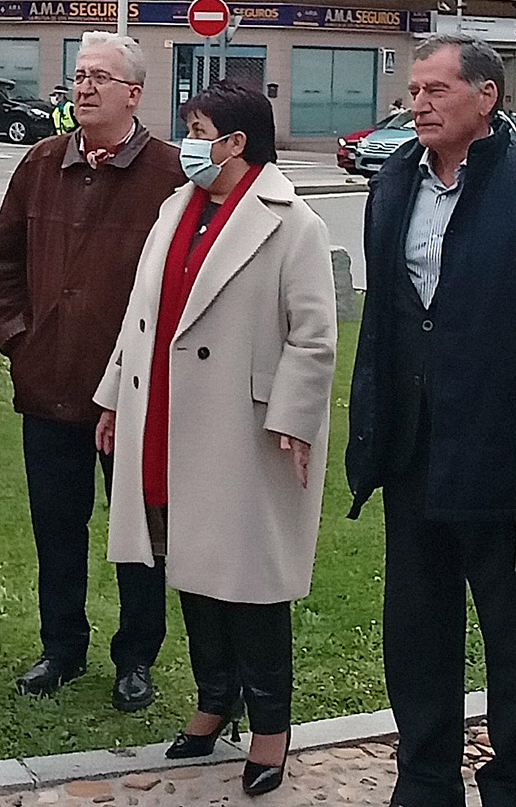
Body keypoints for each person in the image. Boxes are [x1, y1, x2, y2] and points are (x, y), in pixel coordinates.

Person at [344, 36, 516, 806]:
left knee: (515, 637)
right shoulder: (394, 181)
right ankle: (424, 779)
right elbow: (390, 315)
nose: (416, 103)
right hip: (413, 447)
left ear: (486, 97)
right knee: (417, 630)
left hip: (508, 453)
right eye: (412, 89)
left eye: (435, 89)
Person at [95, 81, 335, 796]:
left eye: (198, 127)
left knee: (250, 585)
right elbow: (143, 317)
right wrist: (112, 398)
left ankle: (270, 726)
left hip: (243, 428)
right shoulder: (178, 208)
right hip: (167, 416)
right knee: (190, 570)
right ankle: (212, 699)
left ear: (235, 142)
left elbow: (315, 337)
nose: (187, 139)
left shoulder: (293, 222)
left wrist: (293, 417)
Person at [0, 32, 185, 706]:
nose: (85, 87)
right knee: (57, 528)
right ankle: (61, 648)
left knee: (138, 533)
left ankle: (137, 657)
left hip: (132, 395)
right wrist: (20, 339)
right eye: (78, 75)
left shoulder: (169, 174)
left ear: (135, 93)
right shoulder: (41, 163)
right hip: (50, 384)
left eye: (101, 76)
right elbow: (3, 262)